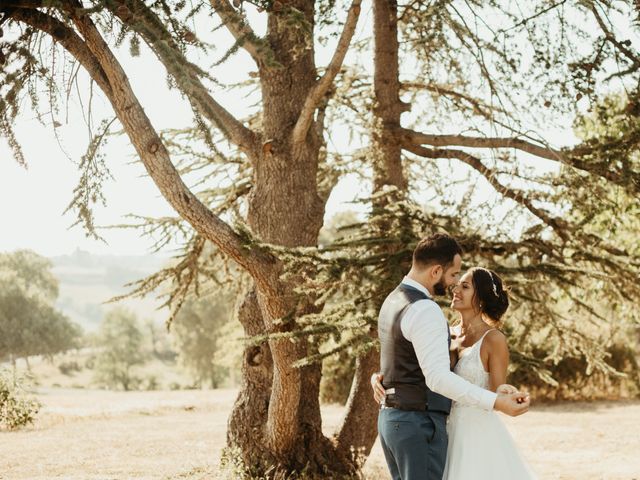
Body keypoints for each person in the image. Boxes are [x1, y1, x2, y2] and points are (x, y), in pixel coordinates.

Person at [372, 233, 530, 480]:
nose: (454, 286)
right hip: (429, 427)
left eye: (463, 284)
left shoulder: (395, 300)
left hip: (467, 432)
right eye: (455, 276)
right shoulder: (437, 319)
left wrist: (506, 395)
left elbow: (497, 387)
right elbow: (428, 371)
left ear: (481, 298)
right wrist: (386, 379)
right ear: (436, 271)